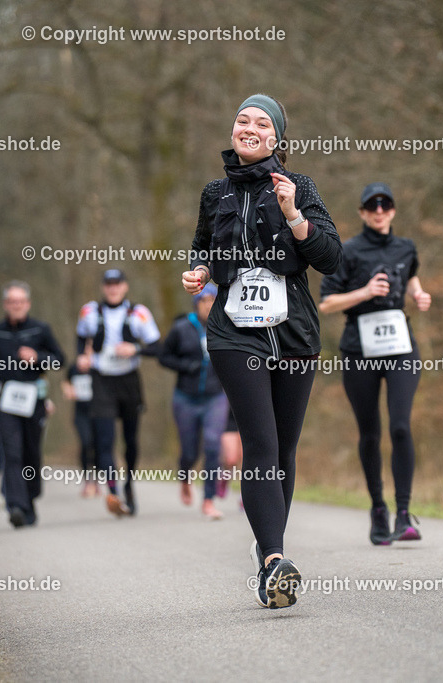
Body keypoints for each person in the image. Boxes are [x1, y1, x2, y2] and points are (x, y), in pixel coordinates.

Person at [182, 94, 342, 608]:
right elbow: (203, 243)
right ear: (233, 132)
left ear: (277, 138)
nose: (249, 127)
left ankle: (268, 550)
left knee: (285, 449)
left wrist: (295, 215)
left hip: (293, 330)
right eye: (242, 120)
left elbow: (331, 258)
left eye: (261, 123)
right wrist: (200, 270)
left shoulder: (300, 188)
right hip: (234, 332)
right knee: (261, 443)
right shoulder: (214, 192)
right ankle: (274, 558)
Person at [319, 182, 432, 544]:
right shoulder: (347, 251)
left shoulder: (406, 247)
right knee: (370, 432)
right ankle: (378, 509)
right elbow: (326, 303)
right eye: (372, 206)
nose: (379, 211)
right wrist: (366, 292)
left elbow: (411, 273)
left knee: (400, 426)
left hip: (400, 347)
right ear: (362, 212)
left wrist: (418, 293)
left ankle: (403, 513)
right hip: (359, 350)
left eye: (385, 205)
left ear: (393, 210)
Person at [0, 280, 65, 528]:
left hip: (34, 399)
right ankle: (15, 506)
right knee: (12, 453)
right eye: (11, 302)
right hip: (6, 400)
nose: (16, 305)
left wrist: (39, 358)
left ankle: (29, 500)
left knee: (31, 453)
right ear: (6, 304)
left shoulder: (40, 329)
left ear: (27, 304)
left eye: (20, 301)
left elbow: (60, 360)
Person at [76, 269, 161, 517]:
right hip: (101, 381)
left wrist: (135, 349)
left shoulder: (138, 313)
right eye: (109, 284)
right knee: (104, 440)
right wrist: (83, 356)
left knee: (130, 441)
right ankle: (113, 492)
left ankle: (129, 485)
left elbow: (156, 347)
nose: (113, 288)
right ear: (104, 287)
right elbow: (81, 338)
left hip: (129, 382)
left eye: (117, 284)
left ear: (125, 287)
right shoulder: (89, 312)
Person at [158, 283, 228, 520]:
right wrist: (186, 366)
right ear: (196, 303)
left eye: (212, 301)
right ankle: (185, 475)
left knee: (212, 445)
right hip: (185, 398)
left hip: (215, 397)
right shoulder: (181, 328)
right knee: (189, 450)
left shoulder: (226, 327)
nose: (208, 306)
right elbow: (164, 357)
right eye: (204, 301)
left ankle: (208, 500)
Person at [61, 355, 97, 497]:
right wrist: (68, 390)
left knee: (98, 446)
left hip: (98, 413)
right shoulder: (73, 369)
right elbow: (65, 382)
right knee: (86, 443)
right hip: (81, 414)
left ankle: (97, 481)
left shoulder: (97, 368)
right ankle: (88, 480)